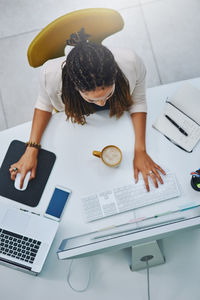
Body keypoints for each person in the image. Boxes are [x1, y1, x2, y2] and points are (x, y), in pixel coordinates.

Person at [9, 28, 165, 191]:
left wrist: (140, 149)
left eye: (108, 93)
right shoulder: (50, 74)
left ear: (115, 76)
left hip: (118, 120)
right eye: (92, 99)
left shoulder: (131, 61)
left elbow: (138, 101)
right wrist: (31, 150)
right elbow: (43, 104)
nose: (101, 103)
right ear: (75, 87)